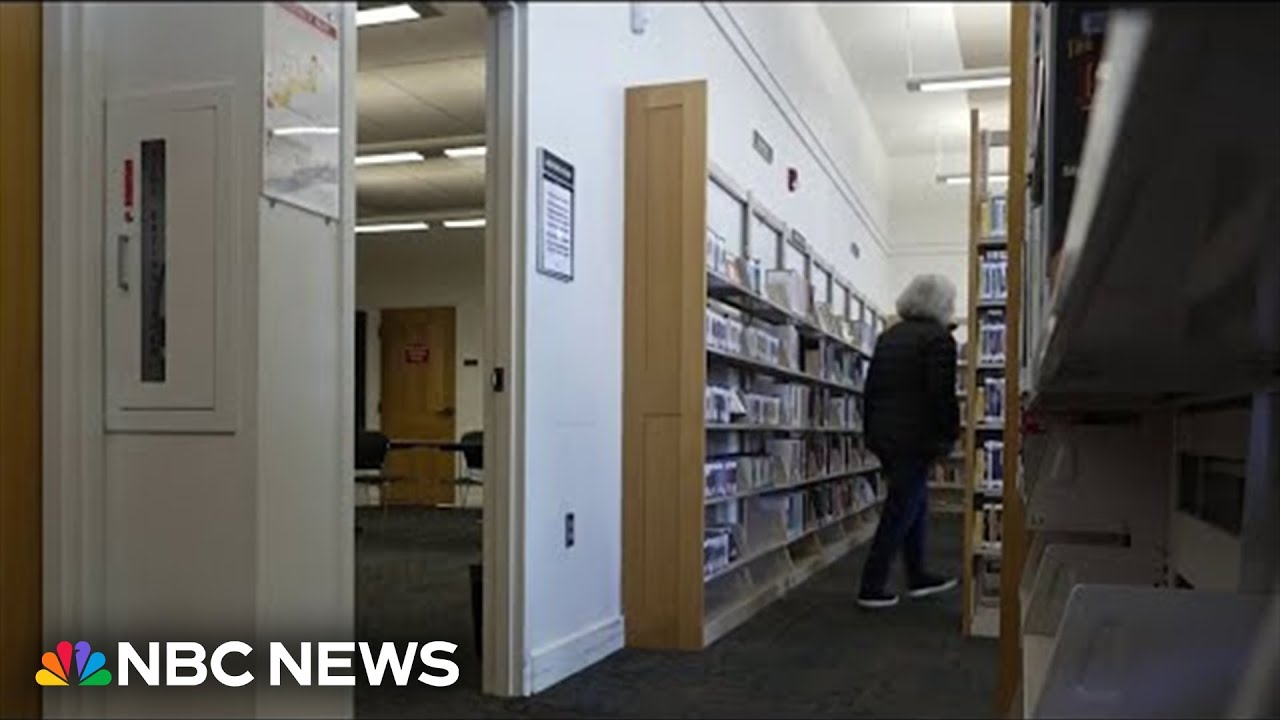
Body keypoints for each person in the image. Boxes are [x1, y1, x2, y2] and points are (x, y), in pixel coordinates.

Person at [856, 273, 961, 609]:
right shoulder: (939, 339)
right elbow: (941, 395)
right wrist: (950, 433)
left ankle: (917, 574)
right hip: (916, 437)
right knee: (902, 506)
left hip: (885, 435)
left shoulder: (889, 336)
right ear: (943, 303)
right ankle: (871, 585)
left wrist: (870, 433)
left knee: (913, 500)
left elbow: (871, 390)